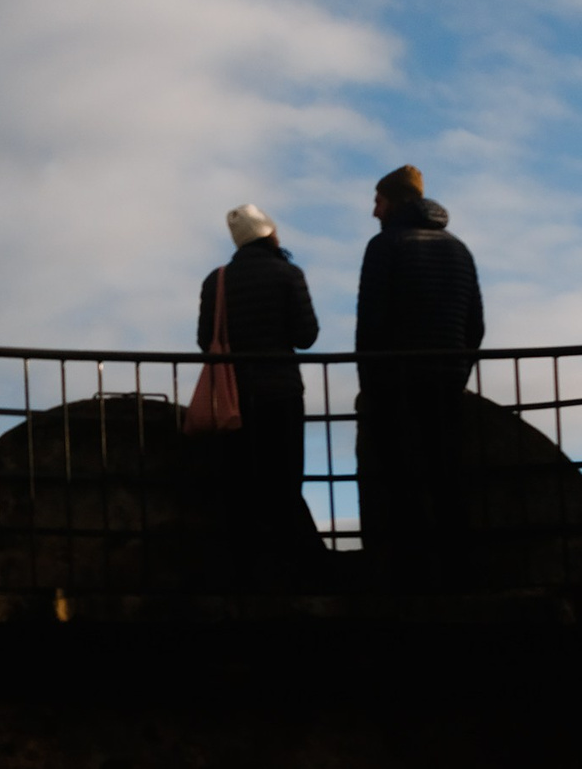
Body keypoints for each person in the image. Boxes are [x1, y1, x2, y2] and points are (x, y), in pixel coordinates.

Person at [353, 166, 483, 577]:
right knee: (448, 473)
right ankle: (460, 569)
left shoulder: (385, 245)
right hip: (446, 377)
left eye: (378, 201)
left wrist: (370, 385)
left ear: (394, 201)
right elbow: (475, 324)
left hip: (396, 379)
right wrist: (458, 369)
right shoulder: (459, 248)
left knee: (402, 478)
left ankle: (413, 572)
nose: (374, 211)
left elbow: (370, 322)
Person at [197, 203, 321, 578]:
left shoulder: (215, 280)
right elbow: (307, 336)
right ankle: (294, 567)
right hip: (281, 391)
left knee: (238, 482)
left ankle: (245, 569)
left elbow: (206, 341)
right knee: (284, 479)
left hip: (233, 396)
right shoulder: (288, 274)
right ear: (270, 234)